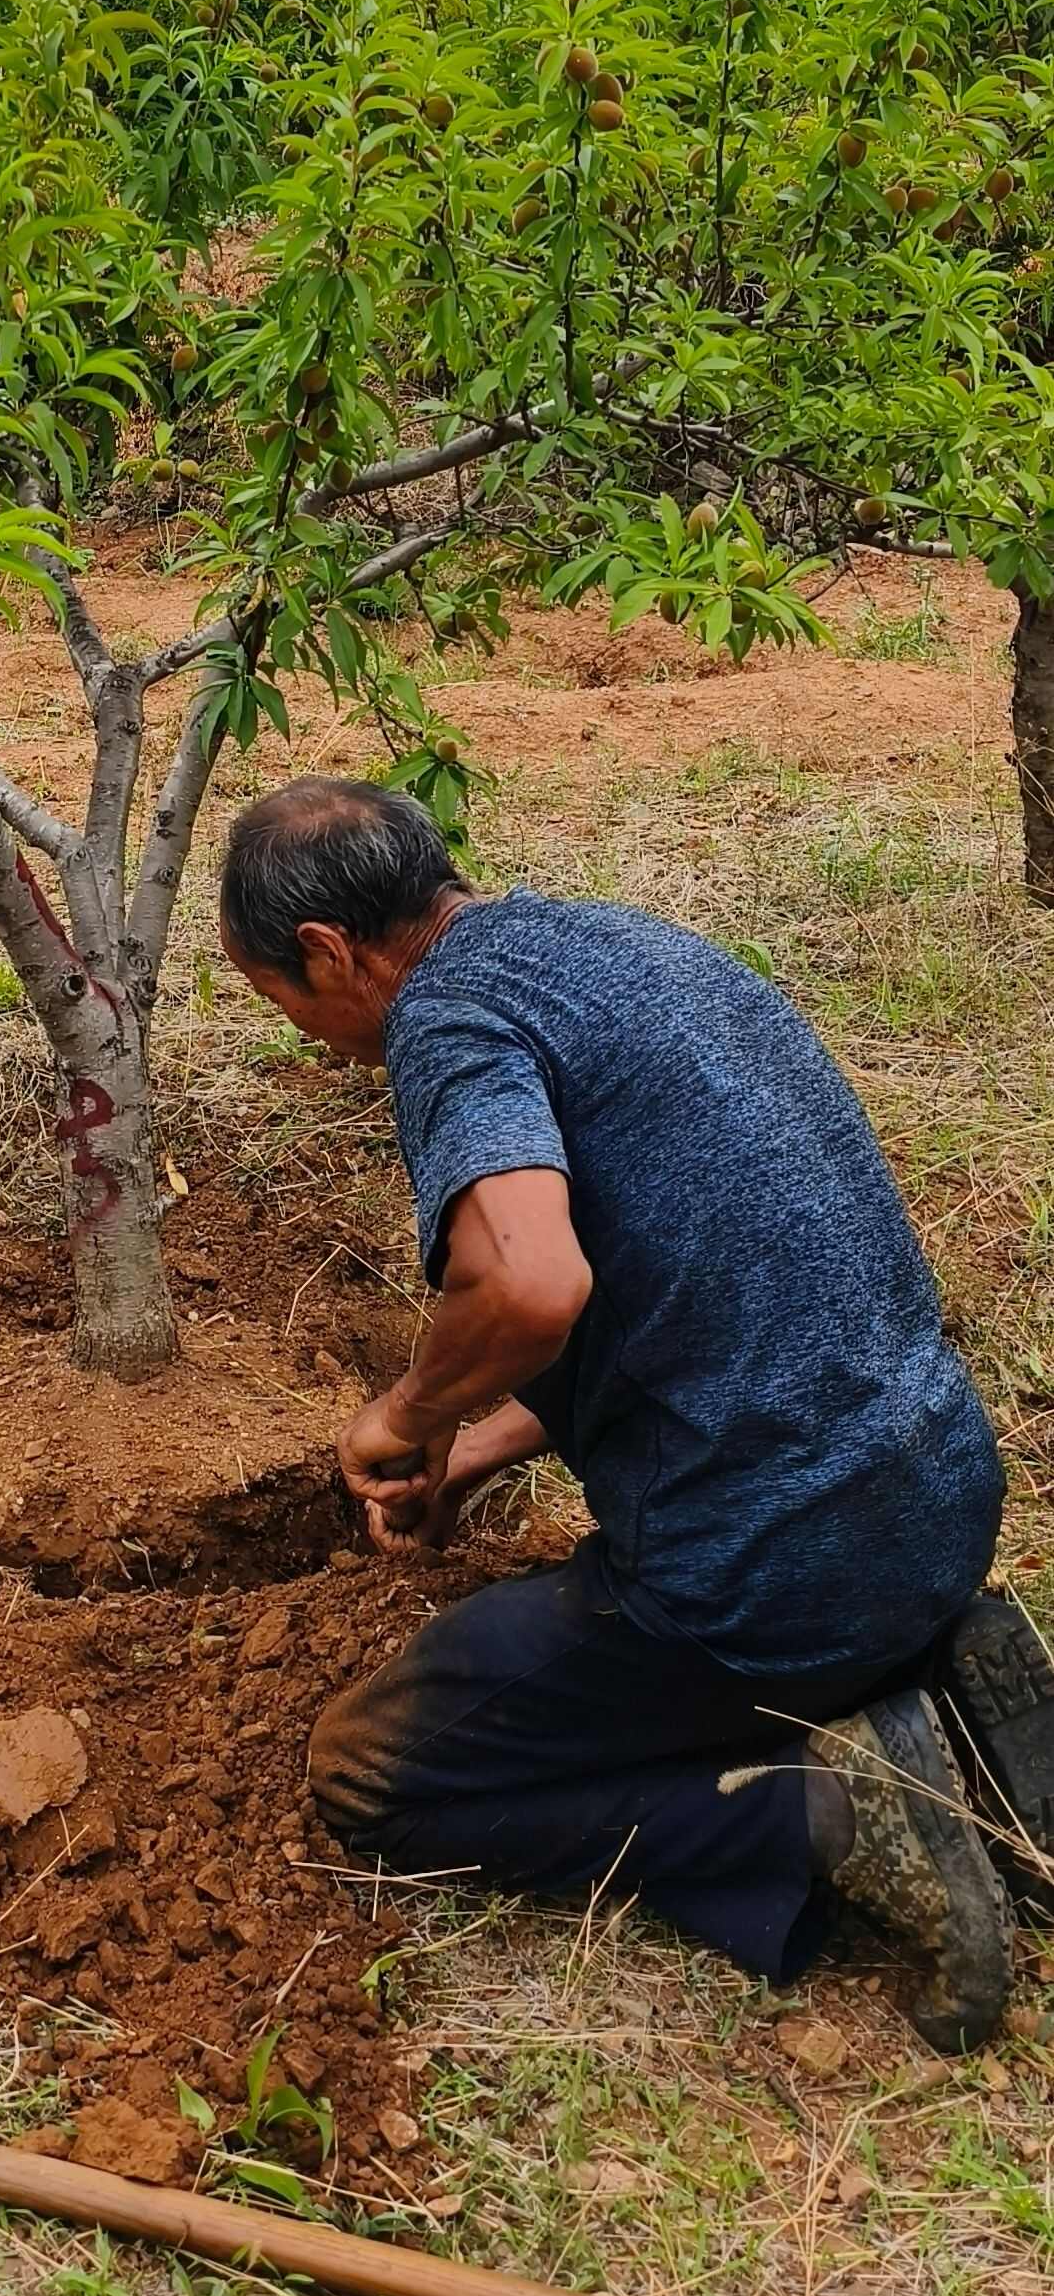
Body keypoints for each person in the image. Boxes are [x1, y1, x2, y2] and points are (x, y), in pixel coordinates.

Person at [219, 775, 1054, 2051]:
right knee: (813, 1591)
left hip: (768, 1572)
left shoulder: (447, 1019)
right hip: (935, 1492)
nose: (302, 1034)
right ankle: (934, 1677)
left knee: (371, 1770)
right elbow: (692, 1275)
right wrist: (486, 1445)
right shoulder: (614, 947)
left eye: (282, 1001)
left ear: (329, 952)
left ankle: (821, 1806)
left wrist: (413, 1410)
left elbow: (534, 1283)